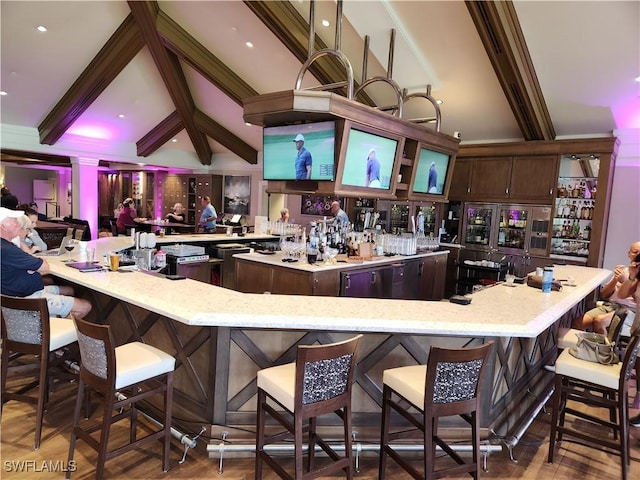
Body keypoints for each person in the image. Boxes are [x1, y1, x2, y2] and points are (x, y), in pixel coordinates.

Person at [0, 207, 92, 319]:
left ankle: (52, 319)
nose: (18, 223)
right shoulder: (7, 250)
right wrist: (34, 264)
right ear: (3, 226)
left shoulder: (6, 245)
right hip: (28, 299)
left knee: (69, 290)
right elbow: (44, 266)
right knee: (85, 306)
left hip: (22, 294)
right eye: (14, 221)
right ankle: (54, 332)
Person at [572, 241, 639, 333]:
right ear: (629, 254)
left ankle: (603, 347)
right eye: (635, 252)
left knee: (599, 321)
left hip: (630, 310)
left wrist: (624, 281)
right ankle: (585, 346)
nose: (638, 256)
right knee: (577, 323)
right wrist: (616, 279)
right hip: (611, 306)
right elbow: (605, 295)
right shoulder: (625, 271)